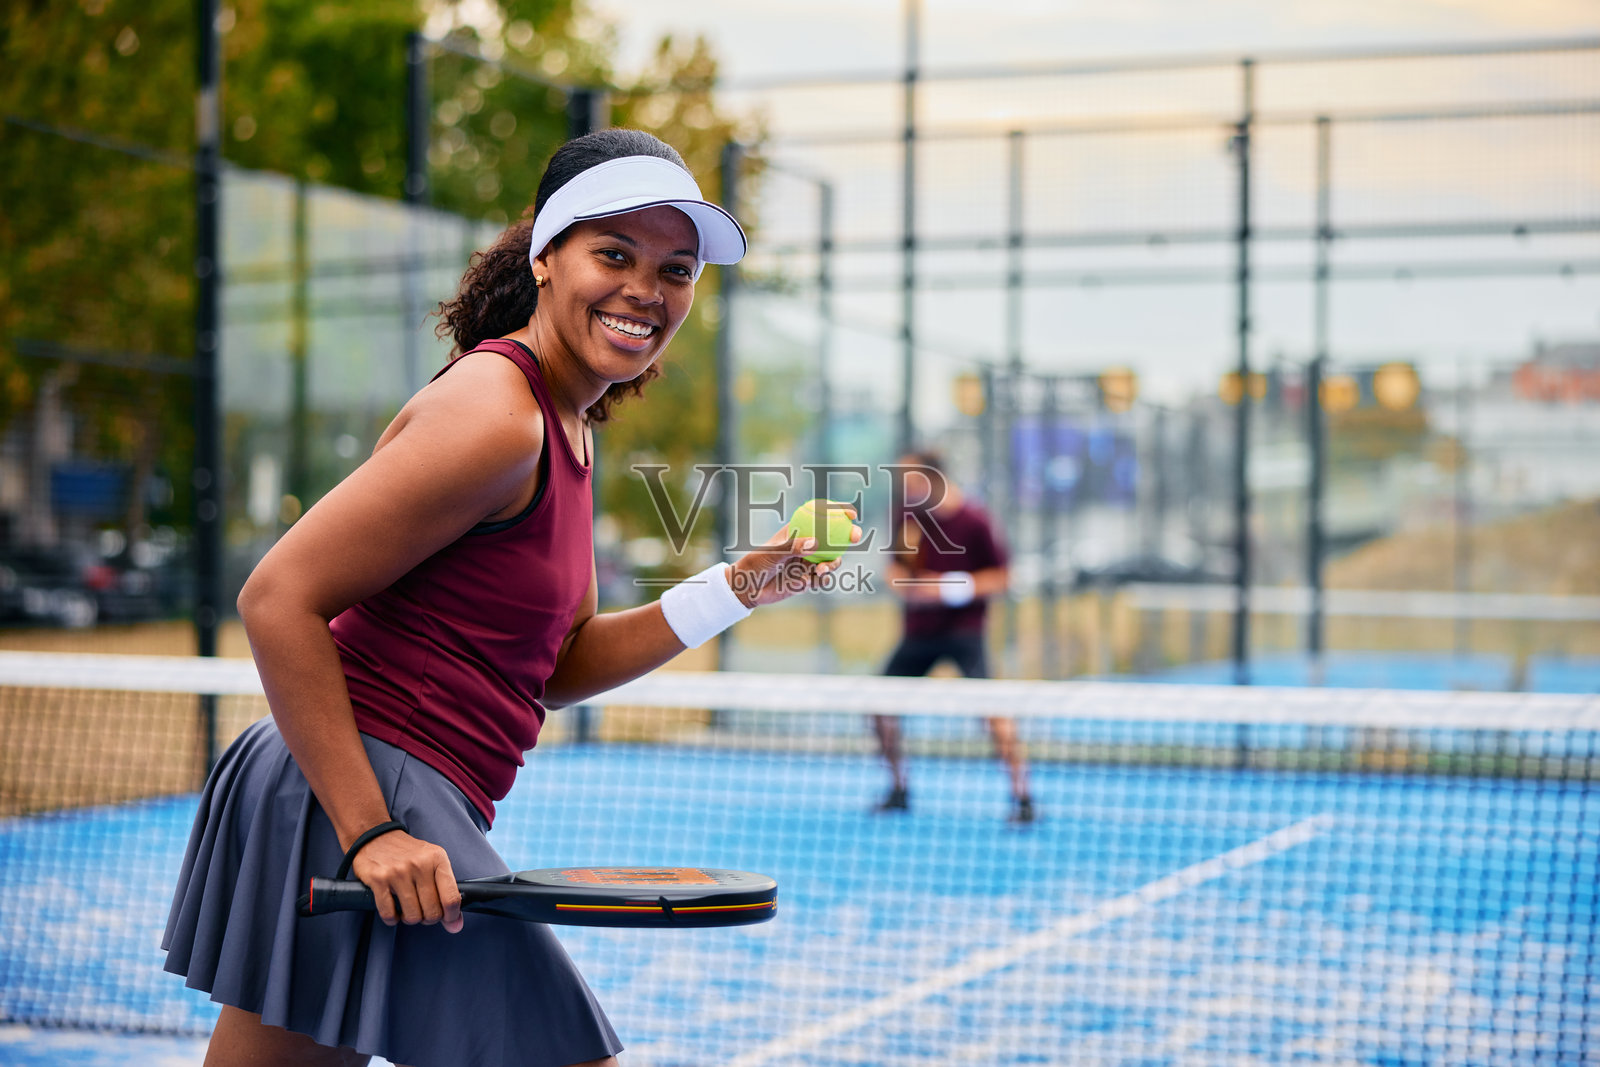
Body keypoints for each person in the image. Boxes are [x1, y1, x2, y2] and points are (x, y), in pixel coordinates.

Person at [162, 128, 854, 1067]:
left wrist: (736, 588)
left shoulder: (564, 423)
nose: (647, 290)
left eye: (677, 270)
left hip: (353, 783)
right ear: (545, 258)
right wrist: (368, 828)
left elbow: (557, 668)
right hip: (365, 784)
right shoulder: (498, 417)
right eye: (615, 254)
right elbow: (277, 596)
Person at [871, 450, 1034, 825]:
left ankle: (1022, 796)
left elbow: (1003, 577)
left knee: (992, 713)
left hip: (965, 633)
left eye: (911, 478)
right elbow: (895, 568)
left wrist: (948, 587)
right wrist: (904, 583)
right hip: (918, 634)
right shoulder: (905, 516)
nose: (905, 487)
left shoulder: (975, 520)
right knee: (878, 706)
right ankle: (898, 789)